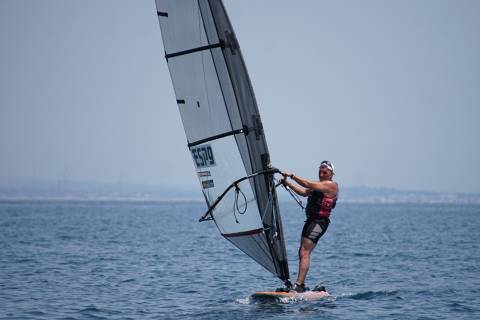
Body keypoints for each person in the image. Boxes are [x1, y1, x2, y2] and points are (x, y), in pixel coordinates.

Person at [282, 160, 338, 292]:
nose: (322, 171)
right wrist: (287, 184)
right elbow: (304, 192)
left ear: (331, 173)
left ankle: (299, 285)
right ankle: (300, 284)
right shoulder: (318, 185)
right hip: (311, 221)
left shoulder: (331, 186)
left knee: (304, 251)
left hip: (319, 222)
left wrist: (292, 176)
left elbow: (306, 183)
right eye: (320, 169)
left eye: (325, 169)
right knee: (302, 251)